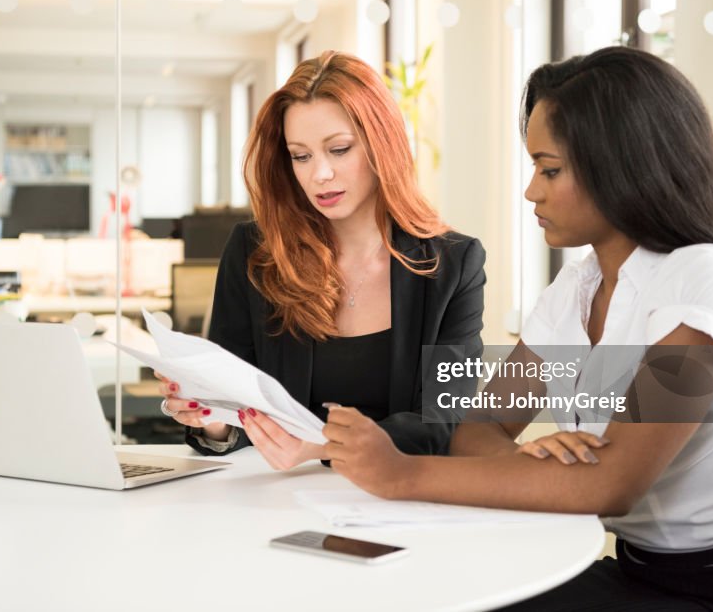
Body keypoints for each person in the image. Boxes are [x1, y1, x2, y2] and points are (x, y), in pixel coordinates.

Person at [321, 46, 713, 610]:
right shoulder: (577, 289)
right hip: (641, 573)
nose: (531, 191)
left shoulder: (705, 275)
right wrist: (533, 463)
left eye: (550, 169)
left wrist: (402, 474)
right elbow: (482, 425)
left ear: (622, 165)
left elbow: (613, 485)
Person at [159, 50, 486, 470]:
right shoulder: (254, 253)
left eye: (339, 149)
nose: (320, 175)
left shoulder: (454, 264)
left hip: (400, 505)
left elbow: (443, 421)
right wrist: (211, 419)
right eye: (301, 156)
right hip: (274, 505)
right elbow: (235, 411)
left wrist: (320, 447)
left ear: (381, 145)